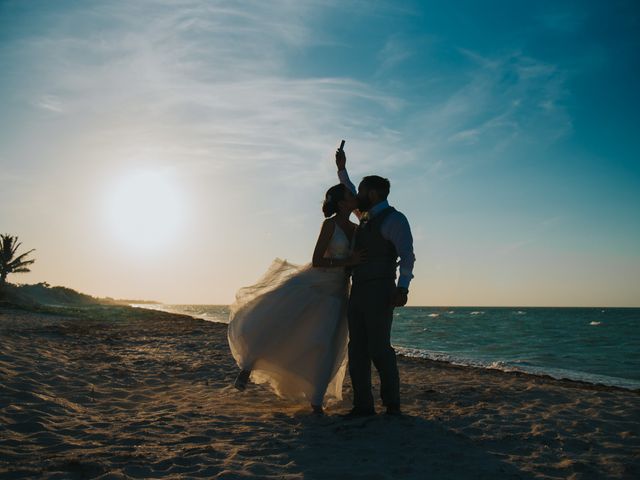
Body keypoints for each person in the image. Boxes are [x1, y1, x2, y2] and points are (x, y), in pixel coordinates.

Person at [227, 183, 363, 414]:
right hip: (316, 282)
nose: (356, 196)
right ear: (342, 203)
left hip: (339, 290)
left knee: (327, 343)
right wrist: (348, 262)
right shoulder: (330, 225)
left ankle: (316, 401)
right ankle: (249, 364)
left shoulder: (357, 228)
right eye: (351, 194)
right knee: (283, 323)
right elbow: (318, 259)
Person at [335, 147, 415, 416]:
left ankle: (392, 404)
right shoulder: (365, 216)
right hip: (358, 290)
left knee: (379, 348)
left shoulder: (395, 219)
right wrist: (342, 169)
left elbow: (407, 256)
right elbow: (349, 190)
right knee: (356, 348)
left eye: (360, 192)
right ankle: (363, 406)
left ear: (372, 194)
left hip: (381, 289)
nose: (356, 196)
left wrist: (403, 287)